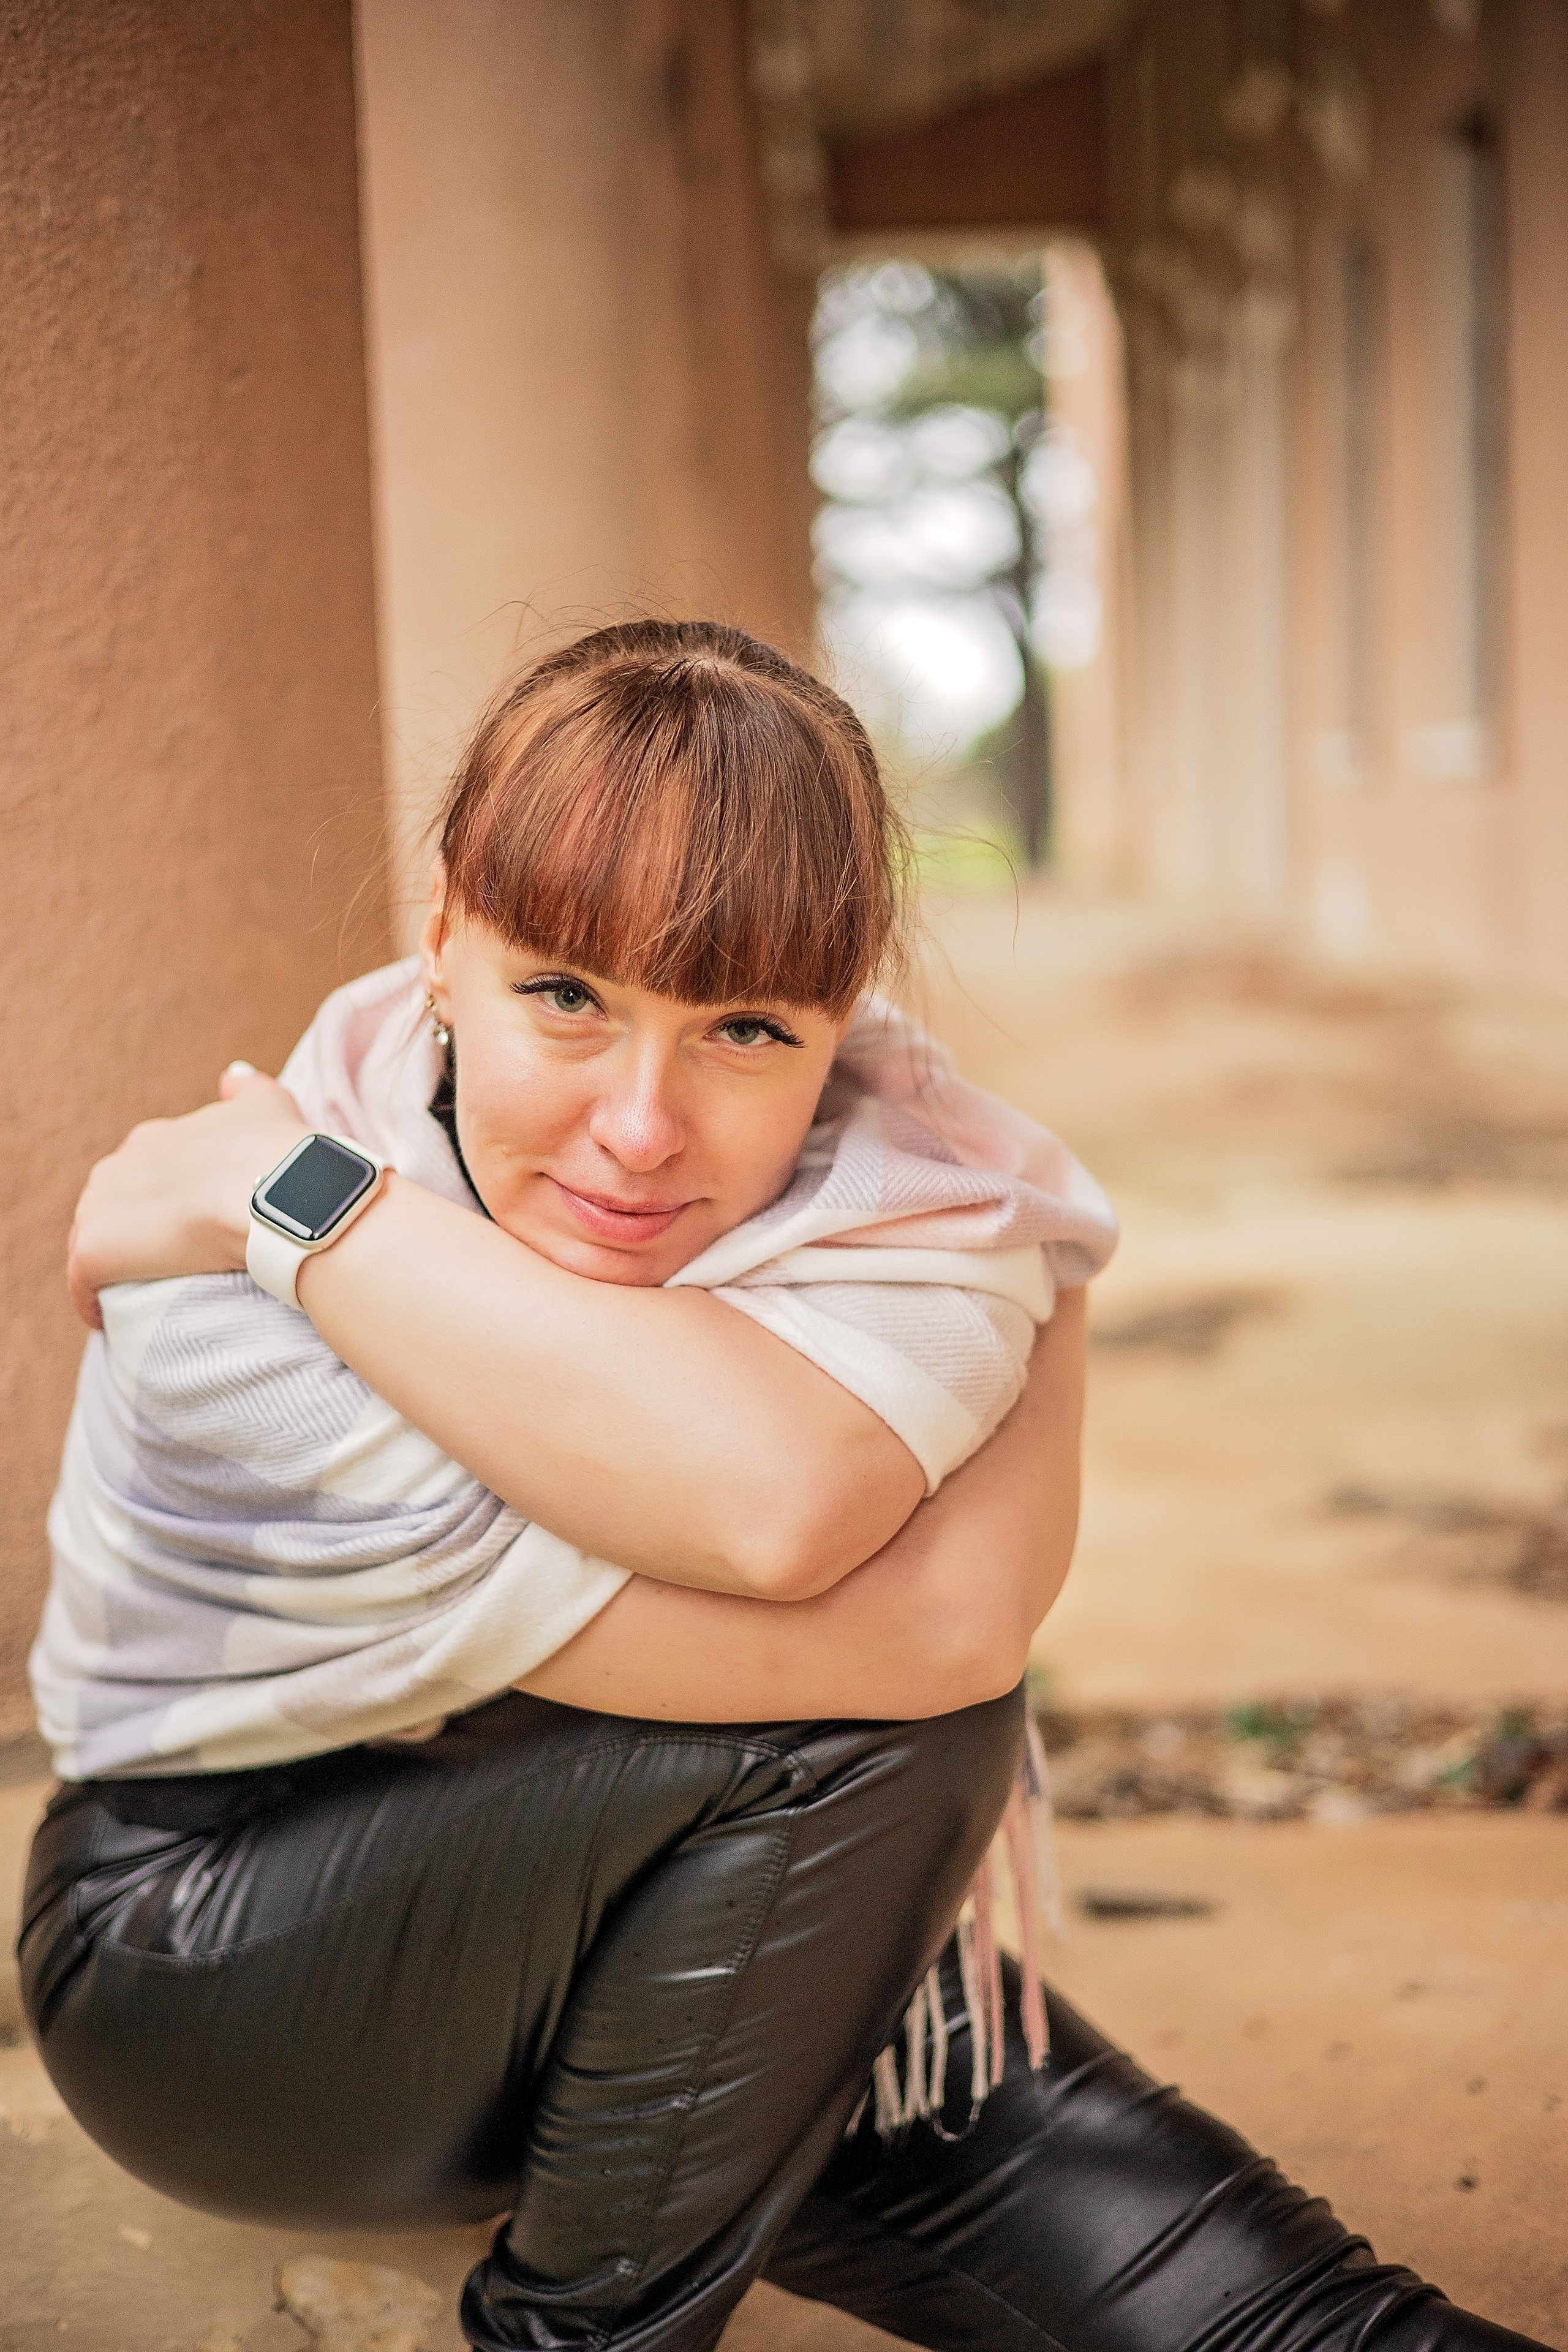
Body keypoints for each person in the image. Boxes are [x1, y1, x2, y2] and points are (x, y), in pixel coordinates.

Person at [28, 622, 1547, 2352]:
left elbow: (907, 1597)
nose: (640, 1129)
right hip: (208, 1970)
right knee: (848, 1737)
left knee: (1299, 2318)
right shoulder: (221, 1312)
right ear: (441, 937)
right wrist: (301, 1207)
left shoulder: (919, 1185)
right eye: (566, 997)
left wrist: (290, 1202)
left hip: (684, 1924)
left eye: (744, 1029)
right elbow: (871, 1609)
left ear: (846, 1028)